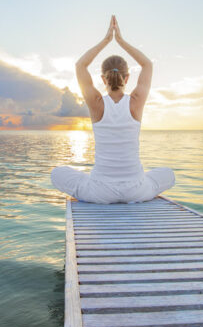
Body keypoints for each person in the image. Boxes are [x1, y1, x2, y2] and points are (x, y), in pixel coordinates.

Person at [50, 15, 175, 204]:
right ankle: (134, 184)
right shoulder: (136, 101)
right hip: (136, 190)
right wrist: (121, 41)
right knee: (168, 174)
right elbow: (147, 64)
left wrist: (107, 40)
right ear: (127, 78)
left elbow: (80, 65)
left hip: (100, 192)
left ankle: (98, 182)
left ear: (103, 79)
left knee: (57, 173)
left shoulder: (96, 103)